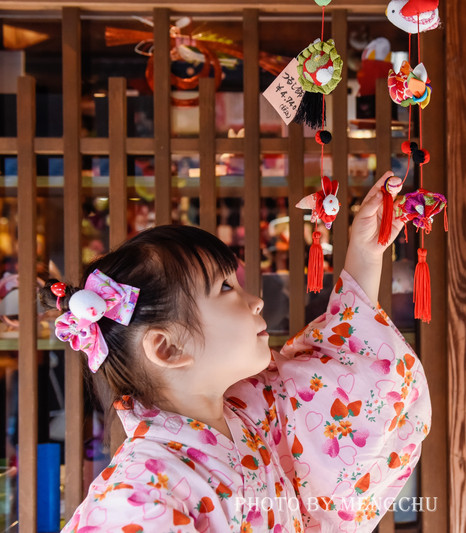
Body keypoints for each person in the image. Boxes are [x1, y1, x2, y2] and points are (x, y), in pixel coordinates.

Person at [44, 172, 431, 532]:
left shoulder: (247, 411)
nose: (256, 302)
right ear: (169, 347)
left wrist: (365, 252)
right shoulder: (142, 490)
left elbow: (340, 365)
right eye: (225, 288)